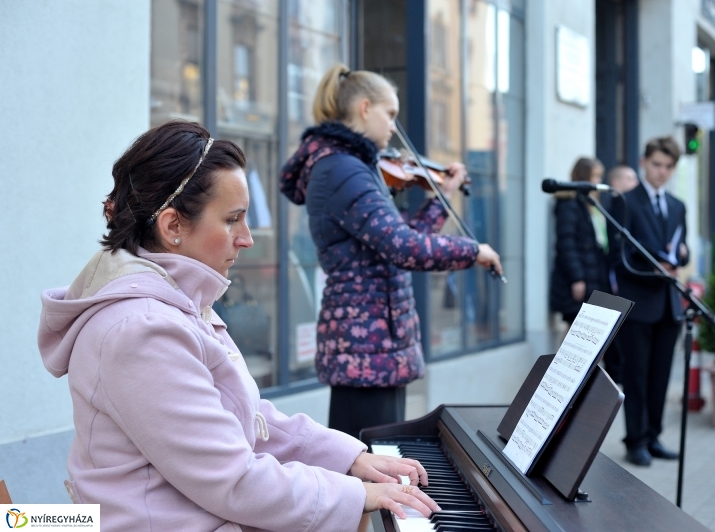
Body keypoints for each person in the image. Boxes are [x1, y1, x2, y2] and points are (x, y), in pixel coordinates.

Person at [37, 121, 441, 532]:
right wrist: (355, 494)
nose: (247, 238)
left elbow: (241, 417)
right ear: (173, 226)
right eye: (232, 219)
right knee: (356, 515)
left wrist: (349, 459)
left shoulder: (175, 301)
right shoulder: (141, 329)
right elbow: (233, 480)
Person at [280, 64, 503, 439]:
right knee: (371, 464)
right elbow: (403, 247)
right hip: (365, 344)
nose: (394, 127)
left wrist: (443, 195)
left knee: (378, 463)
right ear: (365, 108)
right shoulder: (343, 171)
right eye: (391, 114)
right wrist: (472, 250)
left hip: (372, 344)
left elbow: (401, 237)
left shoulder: (350, 167)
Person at [608, 137, 689, 467]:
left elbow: (682, 248)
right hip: (639, 302)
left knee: (661, 375)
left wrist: (682, 256)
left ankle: (654, 436)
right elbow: (619, 256)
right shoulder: (624, 202)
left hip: (669, 304)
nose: (662, 172)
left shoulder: (677, 204)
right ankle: (635, 440)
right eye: (657, 164)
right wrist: (656, 269)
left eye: (668, 167)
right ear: (644, 162)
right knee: (637, 376)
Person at [548, 157, 610, 325]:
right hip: (577, 280)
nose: (598, 181)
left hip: (593, 278)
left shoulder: (590, 204)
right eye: (594, 176)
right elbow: (566, 243)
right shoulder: (569, 204)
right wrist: (577, 278)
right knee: (576, 332)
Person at [600, 164, 640, 383]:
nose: (635, 183)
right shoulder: (618, 205)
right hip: (613, 283)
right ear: (616, 183)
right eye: (629, 178)